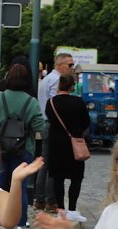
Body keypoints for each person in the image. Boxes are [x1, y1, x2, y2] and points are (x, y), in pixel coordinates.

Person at [0, 63, 44, 229]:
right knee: (21, 189)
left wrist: (0, 127)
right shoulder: (31, 102)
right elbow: (39, 125)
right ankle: (20, 227)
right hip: (24, 149)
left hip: (0, 148)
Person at [45, 72, 90, 222]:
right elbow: (86, 122)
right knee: (76, 178)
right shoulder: (78, 102)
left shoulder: (51, 102)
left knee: (57, 178)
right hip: (74, 144)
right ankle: (72, 209)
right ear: (72, 86)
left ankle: (60, 210)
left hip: (56, 145)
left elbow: (49, 119)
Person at [36, 52, 75, 212]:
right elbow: (57, 104)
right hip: (52, 124)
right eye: (70, 65)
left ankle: (40, 199)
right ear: (60, 65)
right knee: (53, 164)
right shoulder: (57, 80)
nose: (72, 68)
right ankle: (50, 201)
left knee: (45, 163)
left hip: (45, 122)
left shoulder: (47, 79)